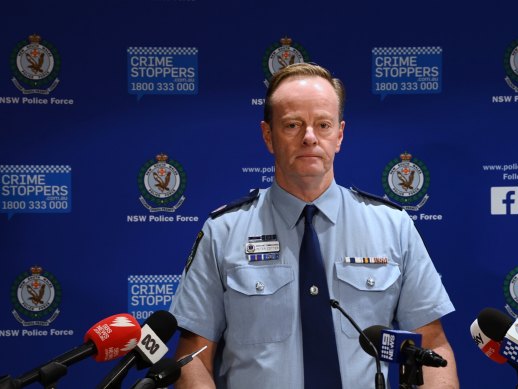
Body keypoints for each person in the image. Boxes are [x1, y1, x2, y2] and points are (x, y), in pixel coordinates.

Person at [169, 62, 459, 388]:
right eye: (292, 125)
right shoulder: (223, 232)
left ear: (340, 135)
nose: (309, 138)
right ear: (268, 136)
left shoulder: (393, 226)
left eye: (322, 124)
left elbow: (431, 345)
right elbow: (192, 359)